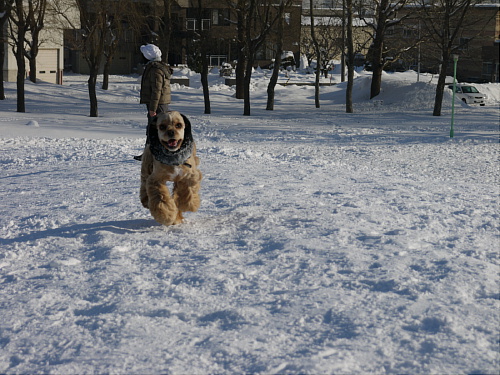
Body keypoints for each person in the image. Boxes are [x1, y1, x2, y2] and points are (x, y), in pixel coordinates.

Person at [134, 44, 173, 160]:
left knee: (159, 128)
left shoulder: (156, 70)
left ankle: (164, 154)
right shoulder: (155, 67)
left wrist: (152, 108)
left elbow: (157, 90)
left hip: (158, 104)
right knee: (154, 128)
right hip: (158, 104)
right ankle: (148, 154)